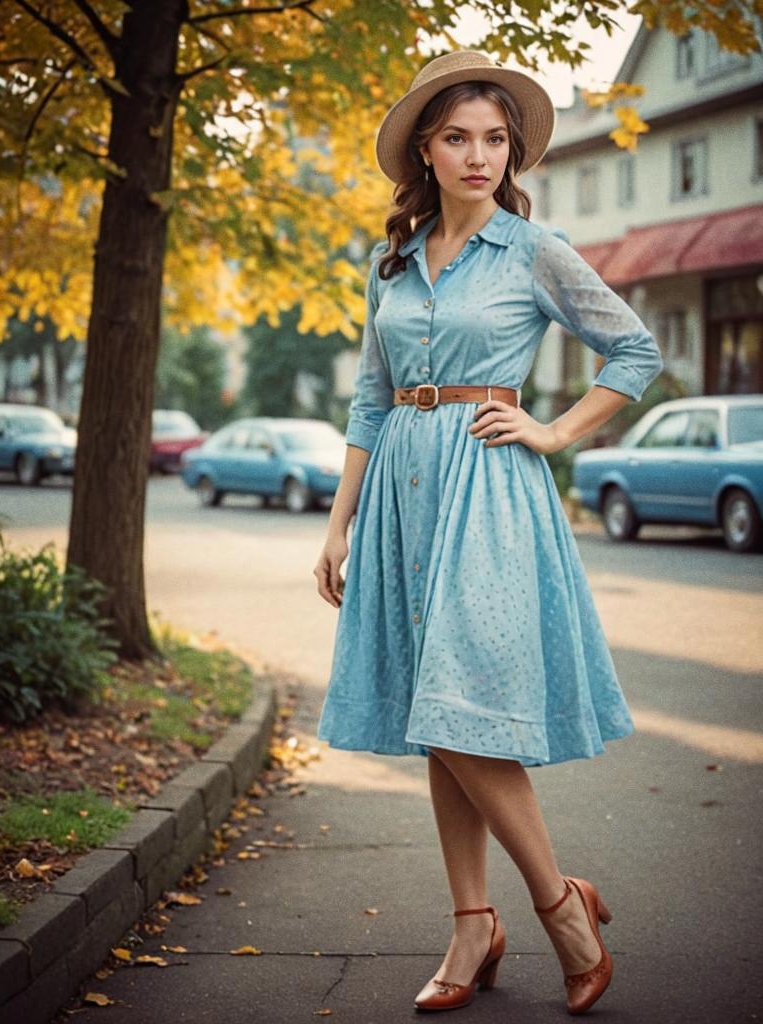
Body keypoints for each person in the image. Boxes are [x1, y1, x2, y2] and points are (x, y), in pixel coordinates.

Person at [313, 50, 663, 1016]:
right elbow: (369, 401)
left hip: (488, 493)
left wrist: (551, 431)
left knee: (459, 706)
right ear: (425, 150)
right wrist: (338, 527)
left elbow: (637, 349)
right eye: (458, 137)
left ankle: (559, 909)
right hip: (400, 497)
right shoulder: (389, 260)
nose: (478, 155)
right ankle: (473, 925)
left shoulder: (534, 250)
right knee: (438, 717)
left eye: (495, 140)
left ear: (510, 153)